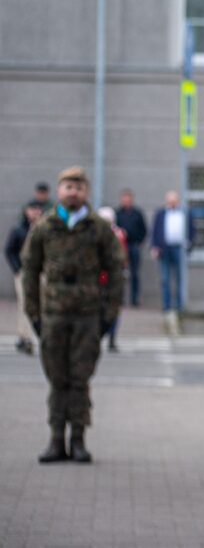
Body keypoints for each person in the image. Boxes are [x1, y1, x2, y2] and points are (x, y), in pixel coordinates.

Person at [21, 166, 125, 463]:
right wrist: (34, 312)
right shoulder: (45, 227)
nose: (73, 192)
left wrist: (110, 314)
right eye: (68, 186)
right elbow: (30, 269)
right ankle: (56, 439)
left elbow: (116, 269)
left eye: (79, 187)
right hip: (53, 314)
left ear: (86, 193)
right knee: (57, 379)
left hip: (87, 315)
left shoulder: (98, 228)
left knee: (80, 380)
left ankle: (78, 439)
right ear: (59, 191)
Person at [6, 201, 45, 354]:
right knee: (25, 304)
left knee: (42, 304)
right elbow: (9, 250)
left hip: (41, 272)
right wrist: (17, 269)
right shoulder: (19, 230)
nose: (35, 212)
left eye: (38, 209)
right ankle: (25, 336)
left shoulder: (44, 230)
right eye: (32, 209)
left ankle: (41, 334)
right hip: (24, 272)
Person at [150, 191, 194, 318]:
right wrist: (155, 247)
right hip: (164, 248)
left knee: (179, 277)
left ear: (178, 201)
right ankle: (167, 305)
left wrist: (189, 244)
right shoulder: (161, 213)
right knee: (165, 278)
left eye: (174, 201)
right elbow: (155, 231)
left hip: (179, 248)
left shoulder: (185, 213)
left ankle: (179, 305)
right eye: (169, 201)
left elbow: (191, 229)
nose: (172, 203)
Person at [96, 207, 128, 352]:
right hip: (100, 274)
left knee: (114, 305)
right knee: (98, 305)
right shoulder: (94, 234)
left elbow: (123, 256)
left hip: (113, 274)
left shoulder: (119, 234)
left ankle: (112, 337)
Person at [115, 189, 148, 307]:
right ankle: (120, 298)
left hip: (133, 246)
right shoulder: (117, 213)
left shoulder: (137, 213)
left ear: (131, 200)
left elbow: (144, 230)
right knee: (119, 274)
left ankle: (134, 299)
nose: (126, 201)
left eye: (128, 199)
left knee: (134, 274)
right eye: (124, 199)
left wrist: (139, 243)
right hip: (120, 247)